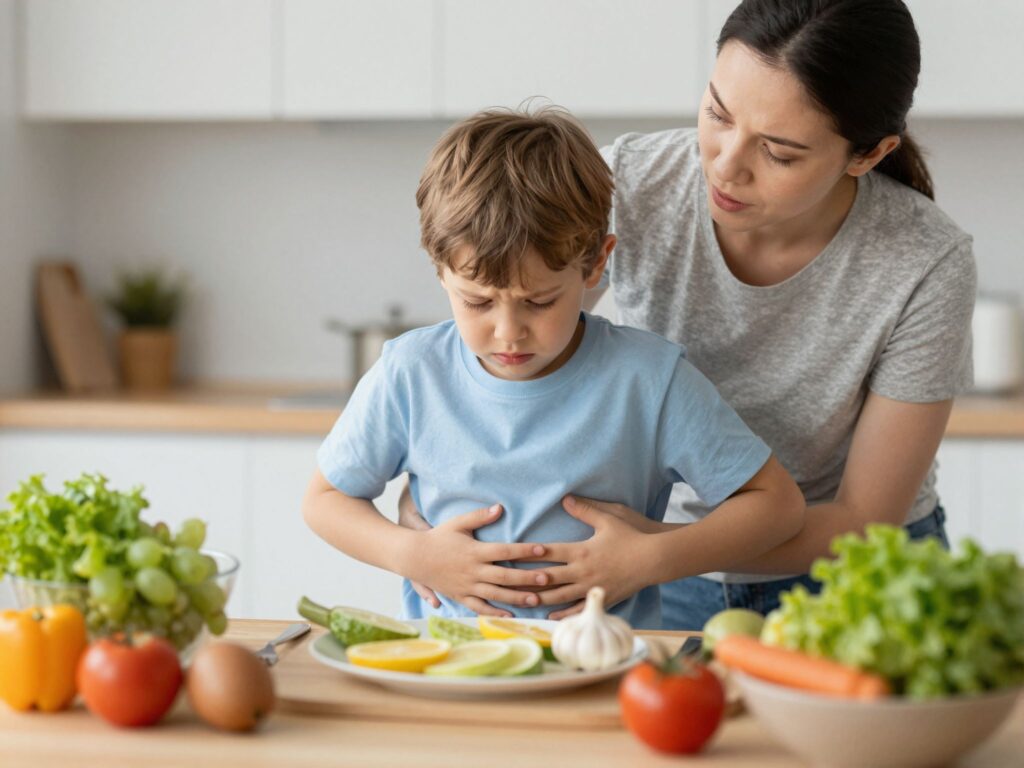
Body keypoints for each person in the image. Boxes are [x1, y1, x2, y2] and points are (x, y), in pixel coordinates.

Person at [400, 0, 975, 629]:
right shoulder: (632, 183)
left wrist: (657, 552)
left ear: (866, 154)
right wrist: (435, 490)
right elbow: (522, 351)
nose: (725, 164)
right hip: (653, 574)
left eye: (779, 153)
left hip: (850, 580)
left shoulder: (926, 260)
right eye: (717, 114)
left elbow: (862, 518)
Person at [303, 107, 804, 629]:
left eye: (539, 302)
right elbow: (326, 498)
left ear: (595, 264)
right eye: (477, 301)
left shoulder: (648, 379)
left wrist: (649, 560)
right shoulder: (410, 372)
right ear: (440, 269)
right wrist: (412, 555)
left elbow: (776, 505)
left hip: (603, 677)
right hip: (448, 673)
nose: (508, 331)